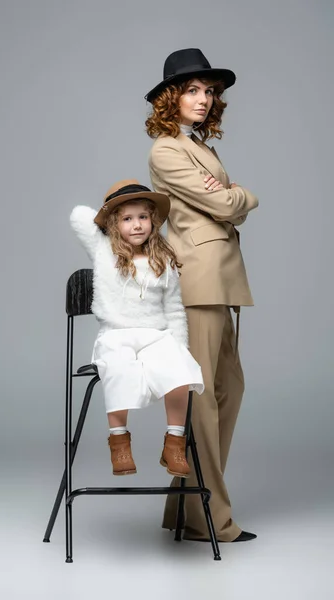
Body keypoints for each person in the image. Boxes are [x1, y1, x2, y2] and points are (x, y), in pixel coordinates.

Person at [145, 48, 259, 542]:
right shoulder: (167, 150)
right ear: (171, 97)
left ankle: (185, 510)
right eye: (193, 90)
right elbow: (225, 204)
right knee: (204, 399)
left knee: (224, 390)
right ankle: (211, 518)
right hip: (199, 279)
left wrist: (230, 200)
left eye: (210, 91)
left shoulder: (200, 147)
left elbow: (223, 204)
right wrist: (244, 196)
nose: (204, 98)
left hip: (219, 278)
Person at [69, 179, 204, 477]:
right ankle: (119, 442)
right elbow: (78, 216)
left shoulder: (163, 259)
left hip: (157, 334)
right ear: (114, 224)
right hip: (116, 334)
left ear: (153, 221)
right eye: (127, 219)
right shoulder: (104, 250)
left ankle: (174, 443)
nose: (137, 225)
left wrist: (179, 346)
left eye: (143, 217)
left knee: (181, 371)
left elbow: (173, 308)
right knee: (117, 370)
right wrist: (107, 216)